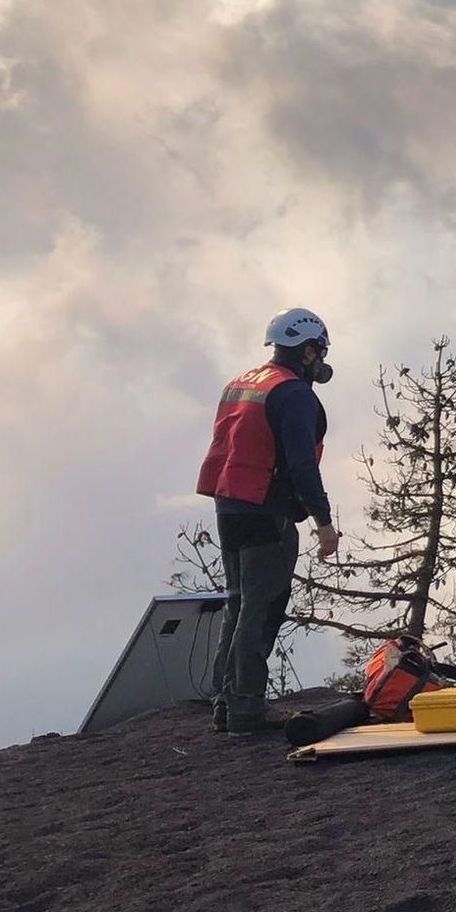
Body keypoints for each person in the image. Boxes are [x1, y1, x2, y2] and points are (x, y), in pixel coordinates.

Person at [196, 307, 341, 734]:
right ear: (310, 351)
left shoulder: (241, 383)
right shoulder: (294, 393)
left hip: (229, 506)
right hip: (266, 509)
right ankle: (246, 707)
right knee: (261, 607)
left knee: (238, 603)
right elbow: (300, 464)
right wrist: (323, 521)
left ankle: (224, 702)